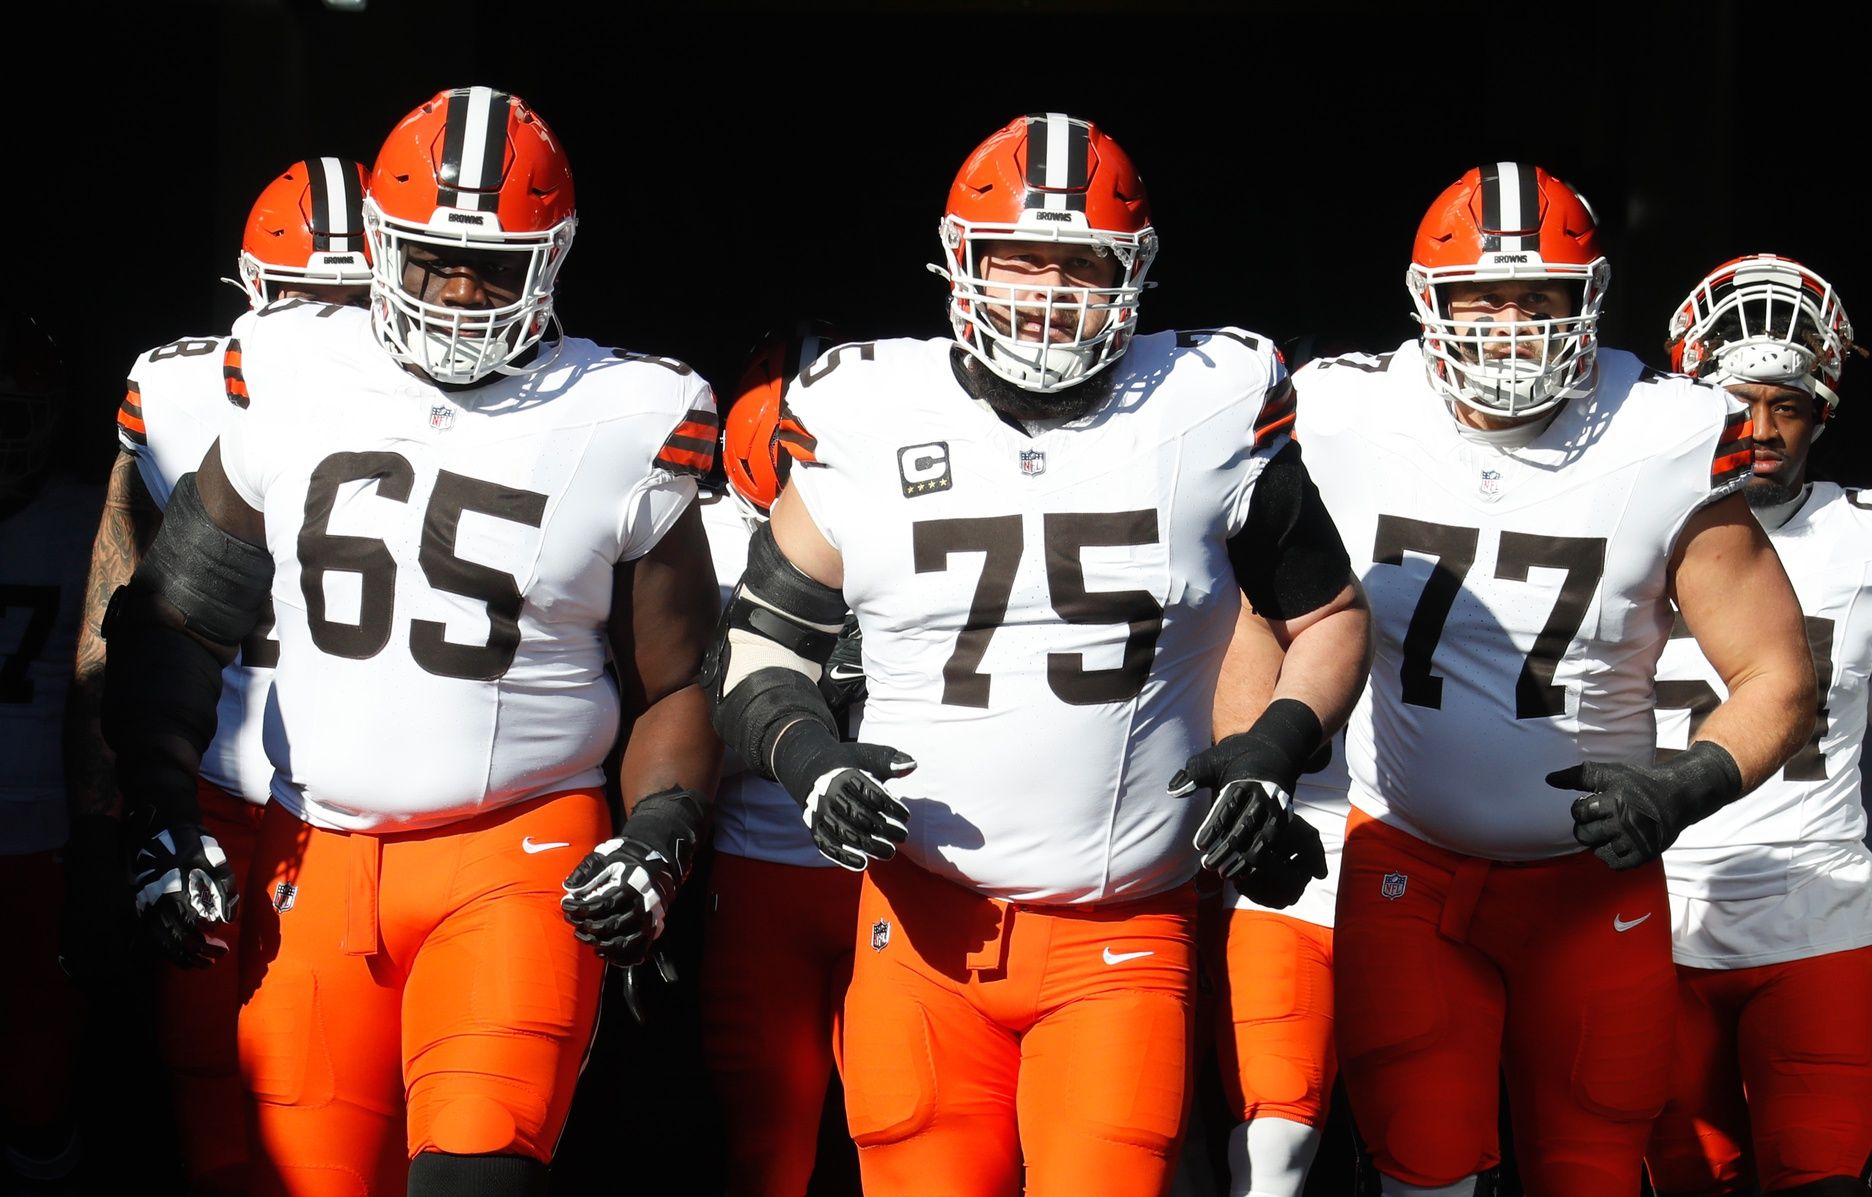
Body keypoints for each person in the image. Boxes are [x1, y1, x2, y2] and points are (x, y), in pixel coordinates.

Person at [703, 111, 1373, 1197]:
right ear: (959, 264)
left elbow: (1330, 616)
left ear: (1137, 274)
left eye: (1083, 265)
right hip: (918, 929)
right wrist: (804, 757)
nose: (1052, 293)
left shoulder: (1208, 402)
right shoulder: (863, 408)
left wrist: (1273, 747)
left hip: (1123, 927)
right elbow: (760, 644)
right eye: (1022, 259)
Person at [100, 85, 721, 1197]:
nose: (462, 289)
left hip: (519, 851)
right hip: (319, 855)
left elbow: (677, 680)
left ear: (556, 259)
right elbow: (175, 613)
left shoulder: (626, 411)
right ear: (384, 249)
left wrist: (662, 830)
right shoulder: (294, 368)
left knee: (473, 1179)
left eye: (495, 265)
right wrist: (160, 809)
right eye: (434, 257)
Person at [1293, 163, 1817, 1197]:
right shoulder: (1342, 413)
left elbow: (1777, 675)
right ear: (1423, 306)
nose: (1511, 327)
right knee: (1420, 1168)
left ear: (1592, 302)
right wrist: (1264, 754)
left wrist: (1688, 784)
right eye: (1481, 299)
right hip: (1409, 862)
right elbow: (1266, 614)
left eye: (1541, 300)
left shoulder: (1665, 432)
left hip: (1593, 883)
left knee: (1594, 1173)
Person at [63, 156, 373, 1197]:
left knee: (332, 1074)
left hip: (350, 794)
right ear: (248, 293)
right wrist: (106, 804)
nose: (328, 329)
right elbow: (126, 596)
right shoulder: (177, 386)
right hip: (207, 765)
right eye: (304, 302)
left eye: (354, 301)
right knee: (197, 1047)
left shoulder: (454, 407)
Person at [1645, 254, 1872, 1197]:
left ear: (1823, 409)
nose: (1765, 430)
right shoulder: (1625, 518)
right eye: (1742, 403)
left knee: (1821, 1178)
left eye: (1789, 405)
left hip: (1819, 903)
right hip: (1652, 909)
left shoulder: (1860, 531)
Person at [699, 321, 867, 1196]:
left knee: (913, 1138)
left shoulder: (910, 491)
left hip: (889, 868)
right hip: (761, 868)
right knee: (769, 1151)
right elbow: (683, 729)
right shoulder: (706, 543)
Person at [1207, 600, 1353, 1197]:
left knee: (1431, 1135)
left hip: (1432, 859)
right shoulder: (1271, 536)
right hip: (1292, 858)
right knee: (1275, 1130)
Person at [0, 310, 97, 1192]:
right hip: (36, 818)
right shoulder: (76, 517)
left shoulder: (80, 517)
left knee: (37, 1028)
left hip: (36, 823)